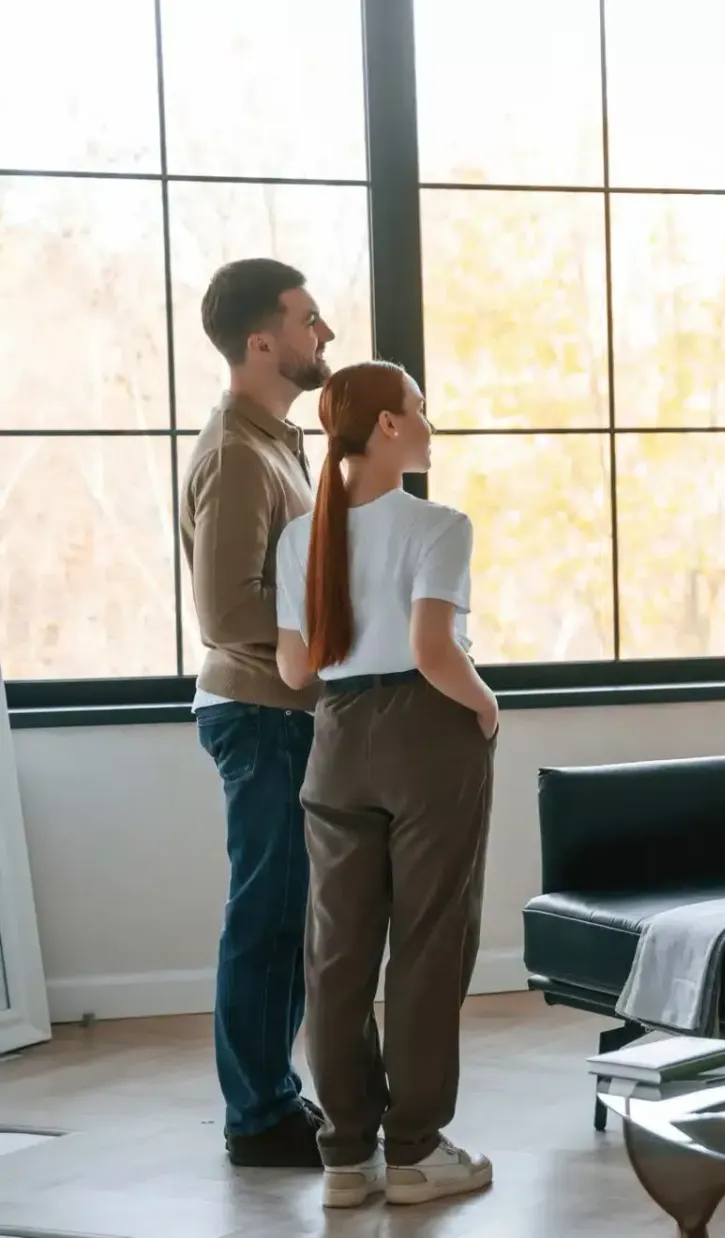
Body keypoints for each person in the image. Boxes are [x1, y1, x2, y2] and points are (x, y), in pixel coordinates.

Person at [273, 360, 497, 1208]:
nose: (430, 423)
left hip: (336, 738)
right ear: (391, 428)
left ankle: (345, 1160)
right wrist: (486, 705)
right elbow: (435, 652)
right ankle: (413, 1153)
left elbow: (298, 669)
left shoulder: (302, 536)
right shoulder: (439, 525)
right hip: (425, 735)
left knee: (336, 955)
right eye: (421, 409)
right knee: (429, 947)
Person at [182, 257, 334, 1166]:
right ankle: (258, 1119)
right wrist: (327, 663)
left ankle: (274, 1100)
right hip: (262, 714)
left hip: (287, 711)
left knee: (285, 913)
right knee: (268, 913)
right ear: (261, 341)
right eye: (310, 319)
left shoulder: (280, 441)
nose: (324, 335)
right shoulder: (239, 454)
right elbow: (229, 613)